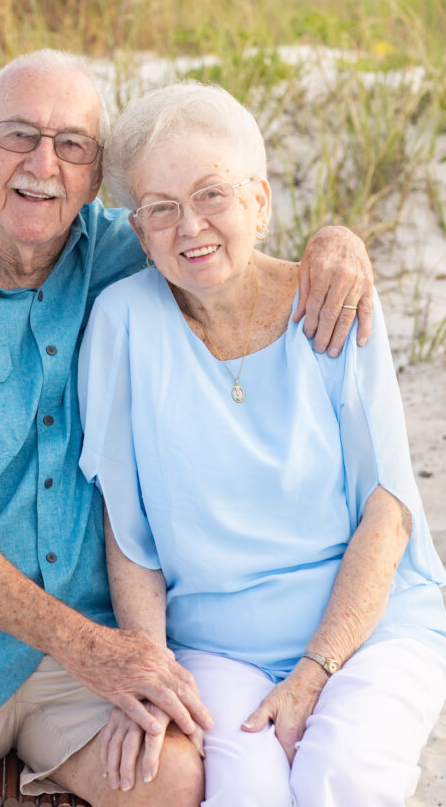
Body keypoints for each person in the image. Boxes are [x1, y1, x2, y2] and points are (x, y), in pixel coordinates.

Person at [0, 52, 373, 807]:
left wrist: (336, 243)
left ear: (97, 178)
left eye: (73, 145)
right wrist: (88, 648)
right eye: (18, 135)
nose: (43, 164)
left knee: (177, 782)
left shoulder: (135, 252)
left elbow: (232, 240)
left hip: (93, 649)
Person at [77, 80, 446, 807]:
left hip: (369, 629)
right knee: (243, 793)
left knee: (338, 778)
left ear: (259, 202)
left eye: (212, 195)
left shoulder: (333, 306)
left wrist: (314, 671)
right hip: (213, 647)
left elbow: (388, 510)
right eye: (160, 210)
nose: (190, 228)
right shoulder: (121, 325)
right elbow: (127, 532)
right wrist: (148, 675)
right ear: (137, 228)